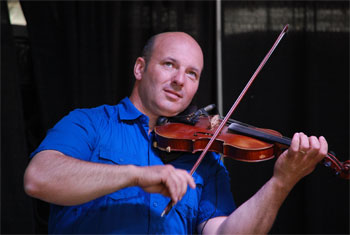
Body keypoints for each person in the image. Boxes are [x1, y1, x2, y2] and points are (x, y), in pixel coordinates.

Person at [24, 32, 328, 234]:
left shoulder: (205, 158)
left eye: (192, 73)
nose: (180, 80)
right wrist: (136, 175)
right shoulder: (90, 123)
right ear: (140, 68)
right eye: (169, 65)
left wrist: (281, 182)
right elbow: (39, 178)